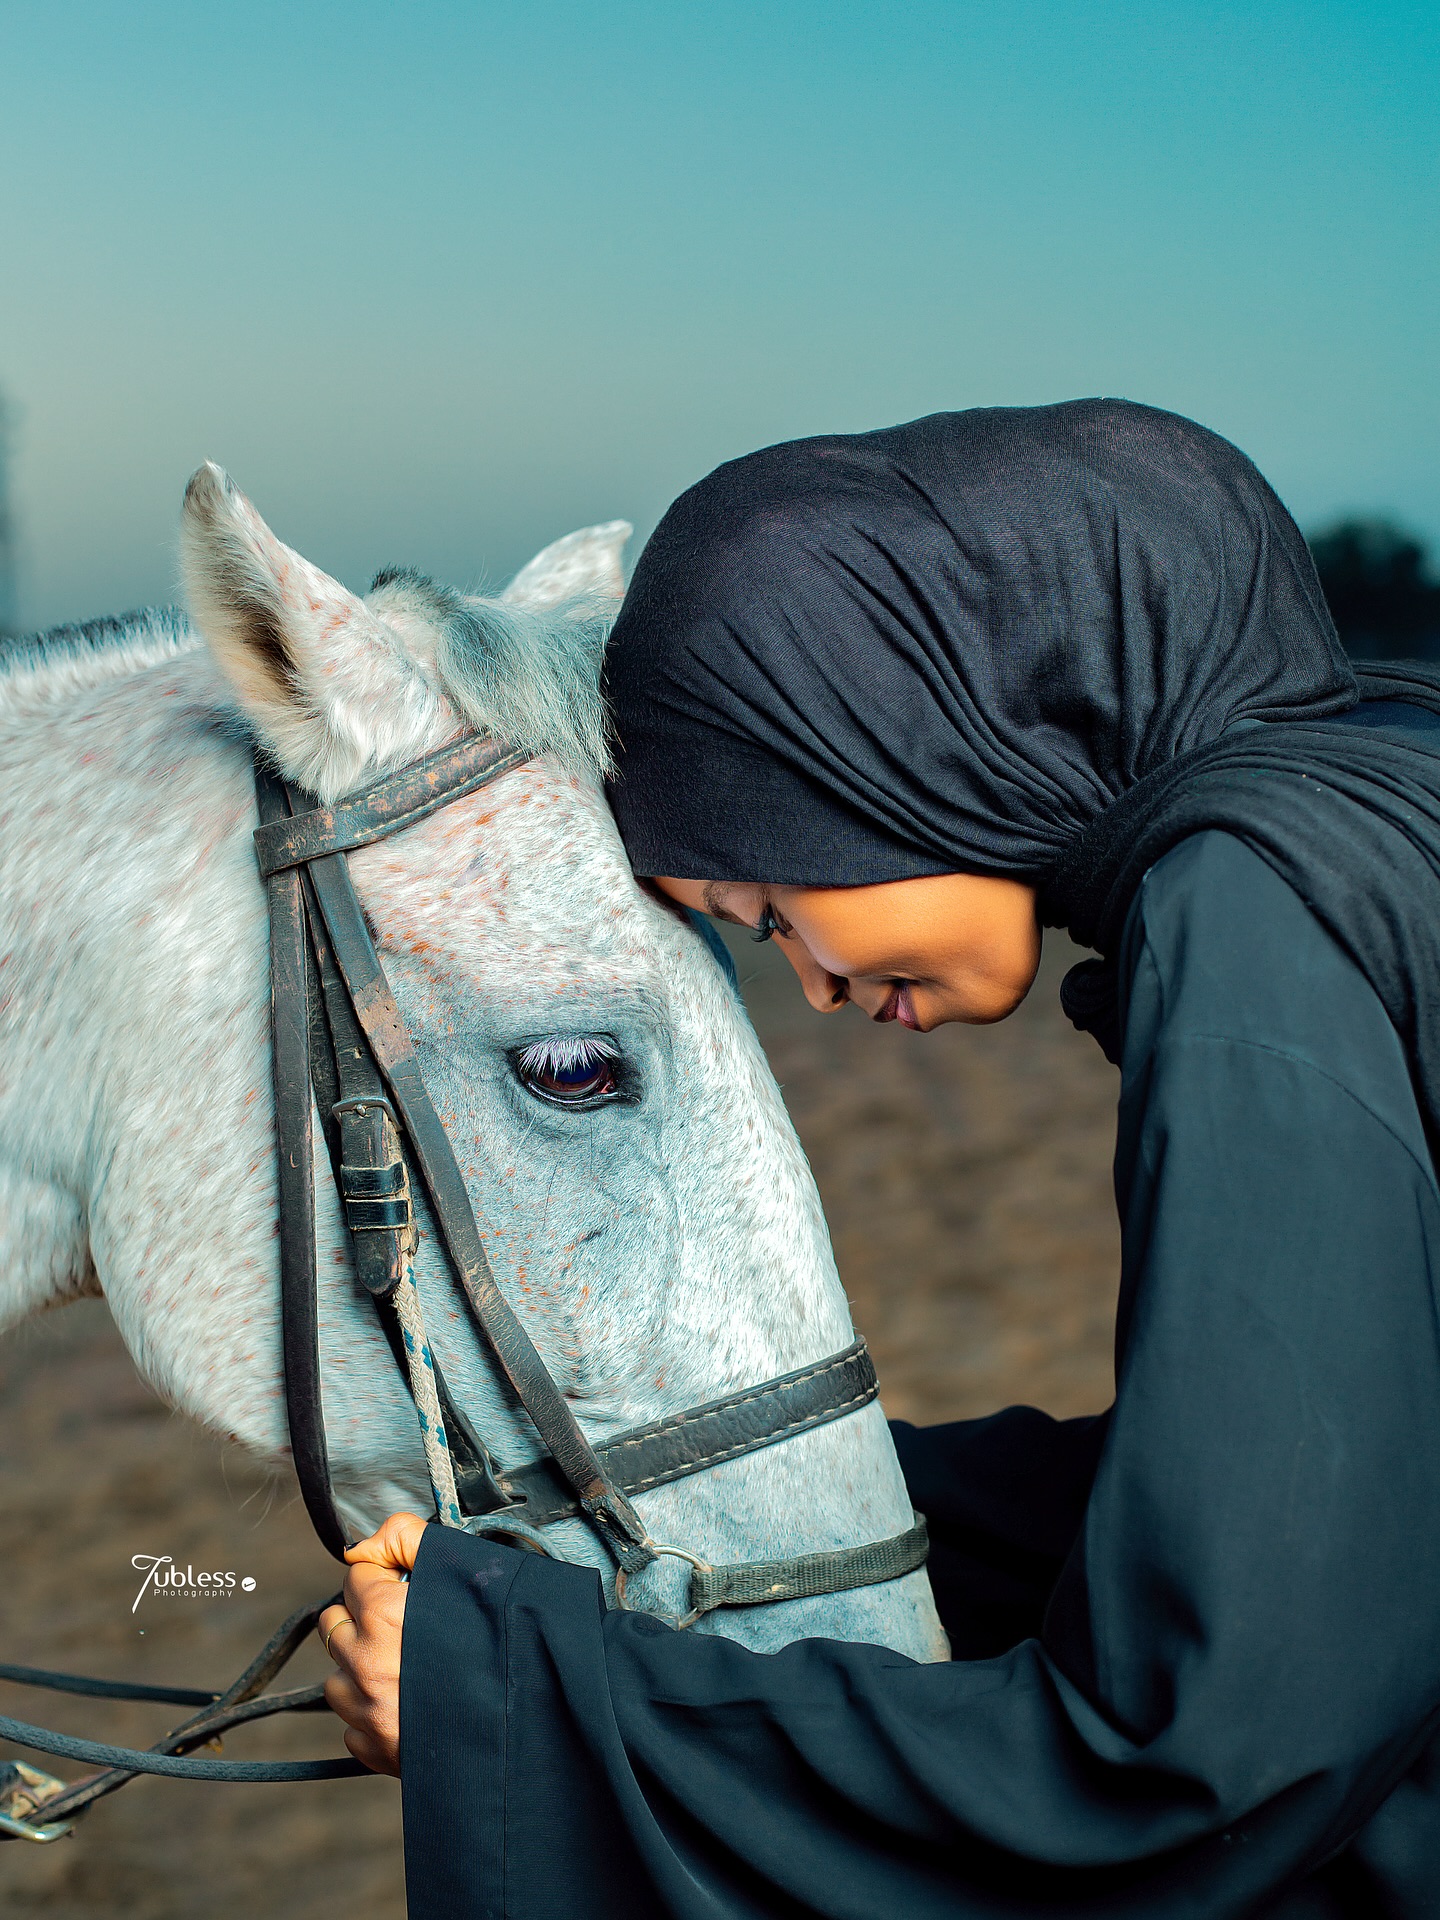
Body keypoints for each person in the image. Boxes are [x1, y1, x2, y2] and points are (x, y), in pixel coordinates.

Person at [319, 401, 1440, 1916]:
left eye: (774, 911)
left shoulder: (1252, 921)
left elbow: (1205, 1763)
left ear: (890, 750)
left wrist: (509, 1700)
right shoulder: (1380, 810)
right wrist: (727, 1512)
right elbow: (1362, 1500)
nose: (820, 988)